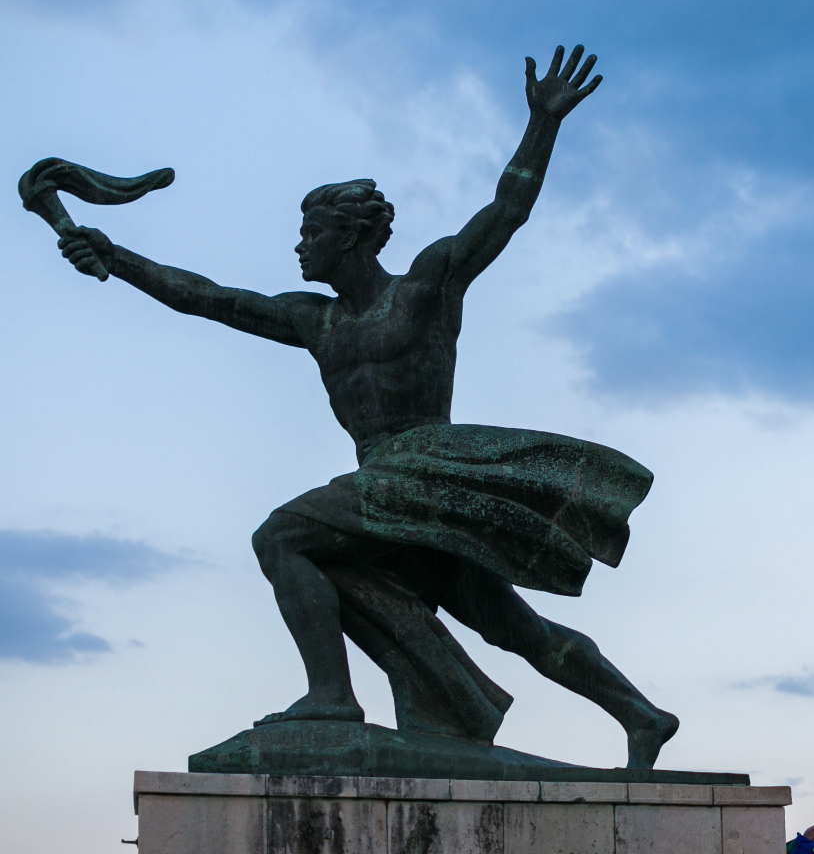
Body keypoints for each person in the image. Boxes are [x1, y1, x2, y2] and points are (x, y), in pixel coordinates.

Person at [48, 48, 679, 767]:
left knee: (281, 537)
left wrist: (542, 125)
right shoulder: (313, 320)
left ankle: (332, 696)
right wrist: (116, 255)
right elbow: (210, 297)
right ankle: (640, 712)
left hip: (426, 469)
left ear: (348, 236)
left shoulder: (426, 286)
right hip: (388, 487)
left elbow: (505, 211)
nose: (298, 246)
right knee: (513, 624)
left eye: (310, 234)